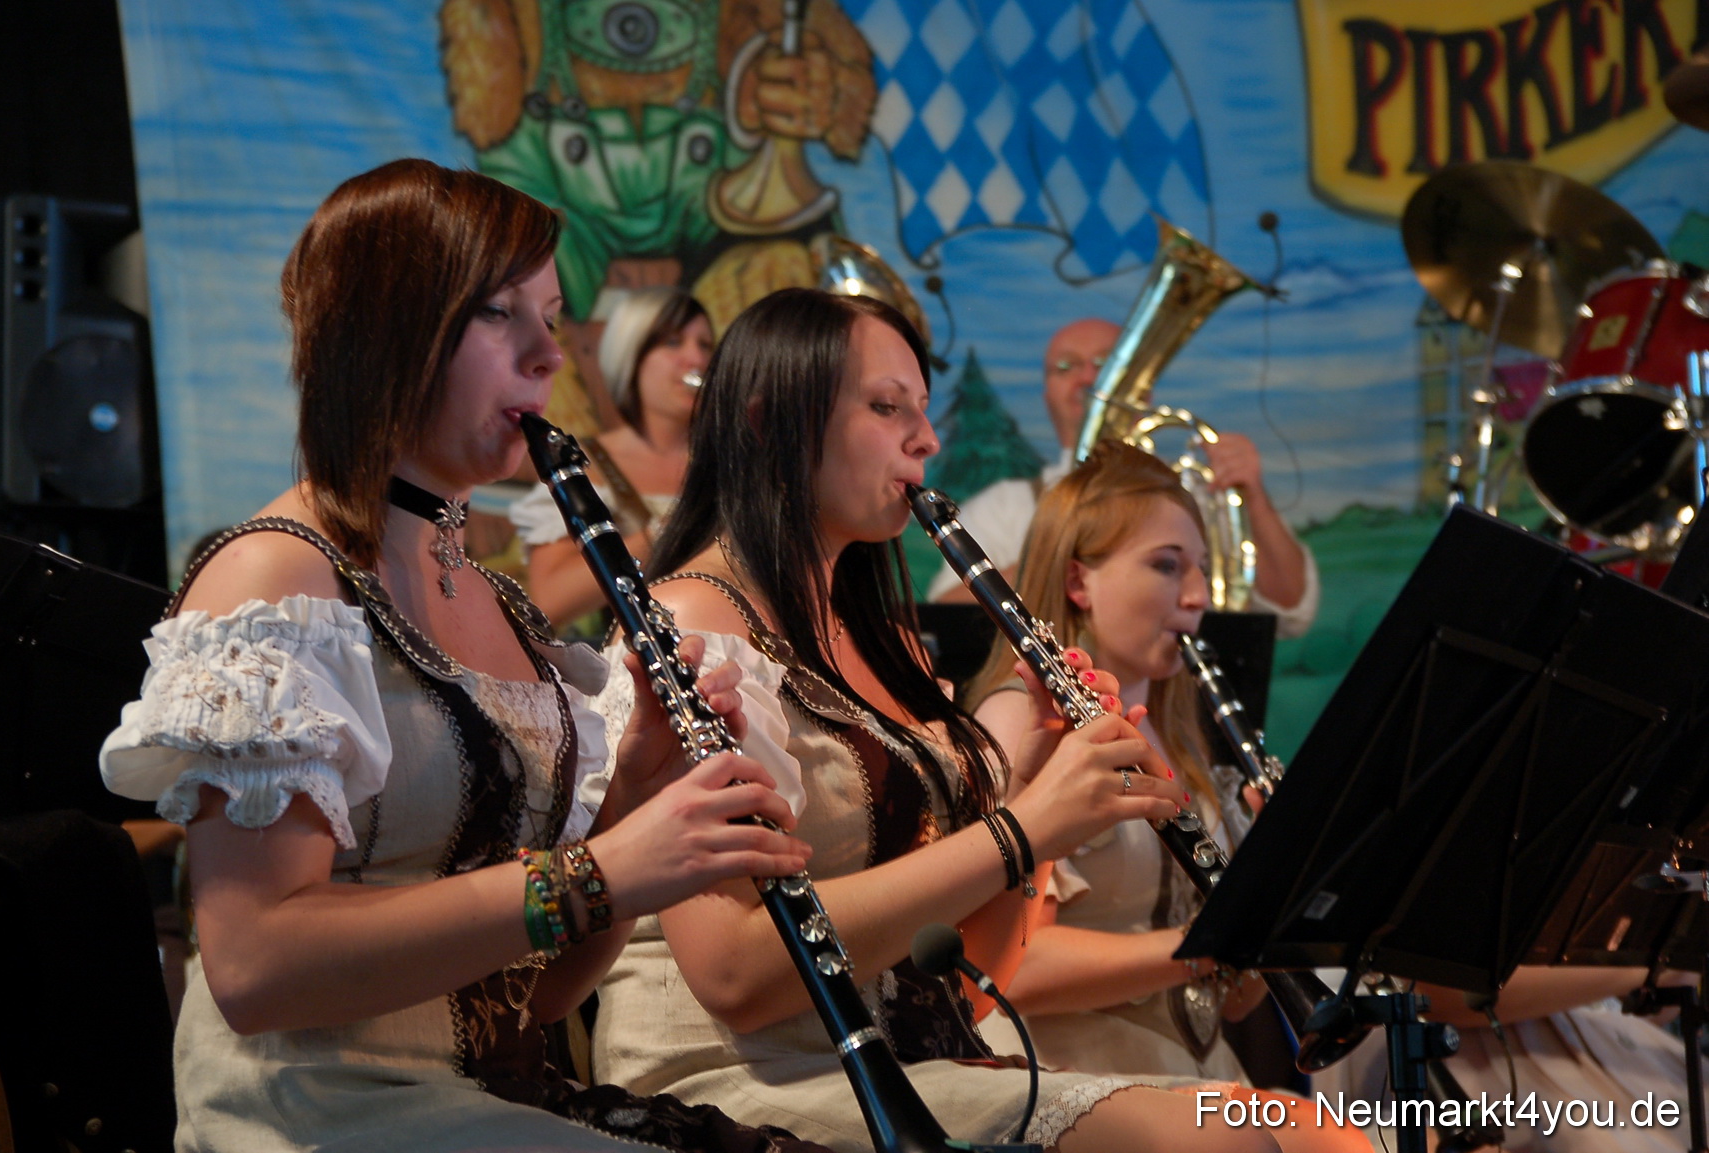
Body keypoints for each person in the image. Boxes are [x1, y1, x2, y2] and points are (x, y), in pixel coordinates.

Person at [99, 159, 834, 1153]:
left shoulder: (506, 608)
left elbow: (542, 997)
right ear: (387, 328)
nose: (546, 357)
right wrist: (601, 869)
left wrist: (640, 810)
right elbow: (253, 967)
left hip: (502, 1099)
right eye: (500, 315)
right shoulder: (277, 580)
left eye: (551, 315)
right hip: (320, 1115)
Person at [582, 286, 1351, 1153]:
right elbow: (735, 974)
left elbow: (975, 990)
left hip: (910, 1060)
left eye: (923, 408)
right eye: (886, 407)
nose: (927, 438)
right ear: (768, 420)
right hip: (735, 1080)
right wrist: (1023, 828)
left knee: (1320, 1131)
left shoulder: (893, 647)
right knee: (1229, 1141)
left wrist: (1035, 797)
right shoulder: (689, 624)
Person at [965, 441, 1267, 1086]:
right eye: (1166, 566)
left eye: (1203, 570)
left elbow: (1237, 998)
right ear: (1079, 582)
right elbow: (1017, 966)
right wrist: (1205, 949)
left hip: (1196, 1071)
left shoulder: (1179, 733)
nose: (1198, 596)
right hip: (1067, 1073)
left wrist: (1276, 891)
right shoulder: (1020, 722)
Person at [928, 317, 1318, 639]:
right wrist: (1060, 551)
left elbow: (1291, 613)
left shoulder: (1197, 492)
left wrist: (1254, 498)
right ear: (1048, 395)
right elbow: (945, 619)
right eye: (1066, 367)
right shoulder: (1003, 504)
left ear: (1144, 390)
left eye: (1106, 363)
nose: (1087, 379)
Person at [1314, 969, 1693, 1152]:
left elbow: (1657, 1009)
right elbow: (1446, 989)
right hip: (1455, 1041)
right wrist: (1643, 969)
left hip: (1570, 1031)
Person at [511, 286, 712, 626]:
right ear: (631, 356)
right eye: (673, 342)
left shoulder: (728, 461)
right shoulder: (586, 463)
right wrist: (667, 529)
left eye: (705, 345)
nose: (697, 360)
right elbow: (550, 601)